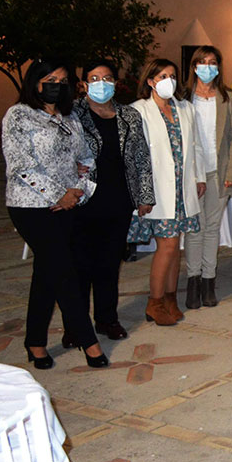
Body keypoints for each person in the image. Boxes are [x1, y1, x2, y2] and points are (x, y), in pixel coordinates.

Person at [3, 59, 109, 369]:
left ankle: (34, 342)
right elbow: (21, 165)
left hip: (68, 203)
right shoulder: (19, 115)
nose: (56, 85)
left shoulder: (69, 116)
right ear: (35, 82)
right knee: (64, 272)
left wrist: (78, 190)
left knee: (47, 273)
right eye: (49, 78)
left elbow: (87, 157)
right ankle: (88, 340)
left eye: (62, 80)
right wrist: (57, 194)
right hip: (30, 205)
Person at [72, 58, 155, 341]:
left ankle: (107, 320)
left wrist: (145, 196)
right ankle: (76, 326)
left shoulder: (129, 116)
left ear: (116, 83)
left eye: (106, 78)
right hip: (82, 202)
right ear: (83, 84)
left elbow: (142, 158)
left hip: (118, 200)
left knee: (109, 265)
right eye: (94, 79)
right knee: (80, 267)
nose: (101, 84)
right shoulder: (72, 114)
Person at [130, 58, 206, 327]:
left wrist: (199, 176)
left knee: (176, 247)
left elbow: (195, 145)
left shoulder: (185, 108)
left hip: (182, 188)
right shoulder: (138, 111)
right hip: (158, 190)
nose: (168, 81)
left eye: (172, 75)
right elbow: (133, 156)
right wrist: (141, 193)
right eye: (161, 76)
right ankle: (154, 301)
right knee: (168, 245)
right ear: (150, 81)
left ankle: (171, 298)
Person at [182, 46, 232, 309]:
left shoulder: (228, 98)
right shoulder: (182, 97)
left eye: (212, 62)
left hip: (219, 173)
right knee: (194, 228)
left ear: (219, 67)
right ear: (194, 66)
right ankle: (192, 281)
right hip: (192, 173)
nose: (207, 66)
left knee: (211, 228)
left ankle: (208, 281)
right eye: (202, 62)